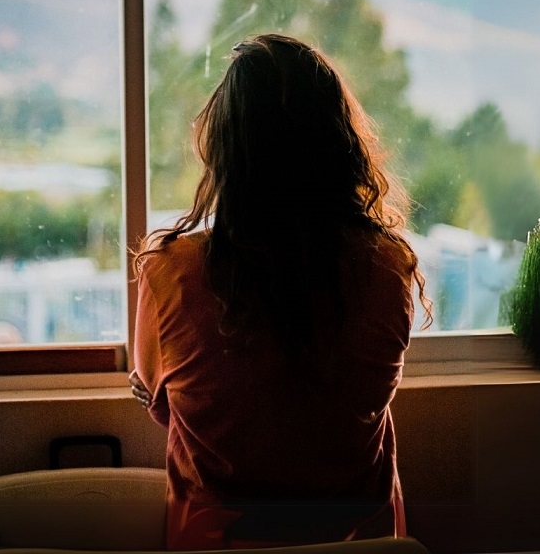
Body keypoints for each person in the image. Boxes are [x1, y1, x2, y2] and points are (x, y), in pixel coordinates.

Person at [129, 33, 431, 549]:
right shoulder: (388, 267)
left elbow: (163, 403)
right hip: (358, 543)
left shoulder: (171, 273)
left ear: (225, 148)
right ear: (339, 145)